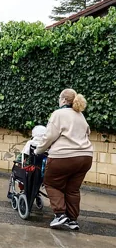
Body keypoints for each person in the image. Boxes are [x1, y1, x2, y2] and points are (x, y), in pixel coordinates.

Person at [35, 89, 93, 230]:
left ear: (63, 100)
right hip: (86, 157)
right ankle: (72, 220)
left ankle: (60, 215)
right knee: (72, 189)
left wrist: (38, 150)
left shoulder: (58, 114)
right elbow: (88, 132)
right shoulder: (80, 115)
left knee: (51, 183)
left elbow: (49, 136)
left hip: (63, 157)